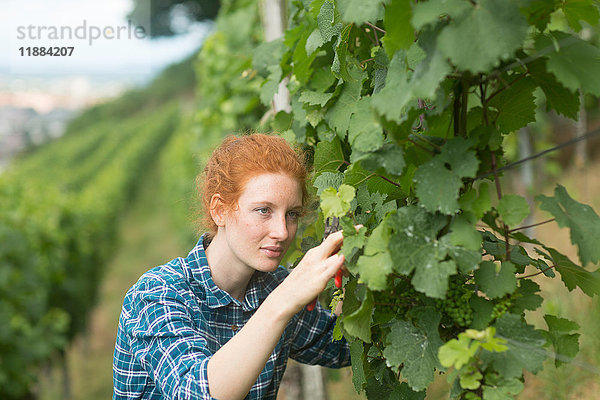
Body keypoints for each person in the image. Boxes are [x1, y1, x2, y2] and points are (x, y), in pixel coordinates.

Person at [113, 133, 351, 399]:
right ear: (219, 210)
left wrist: (355, 276)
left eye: (292, 214)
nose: (282, 232)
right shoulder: (157, 295)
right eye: (263, 210)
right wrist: (283, 301)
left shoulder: (272, 286)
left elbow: (342, 347)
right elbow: (195, 393)